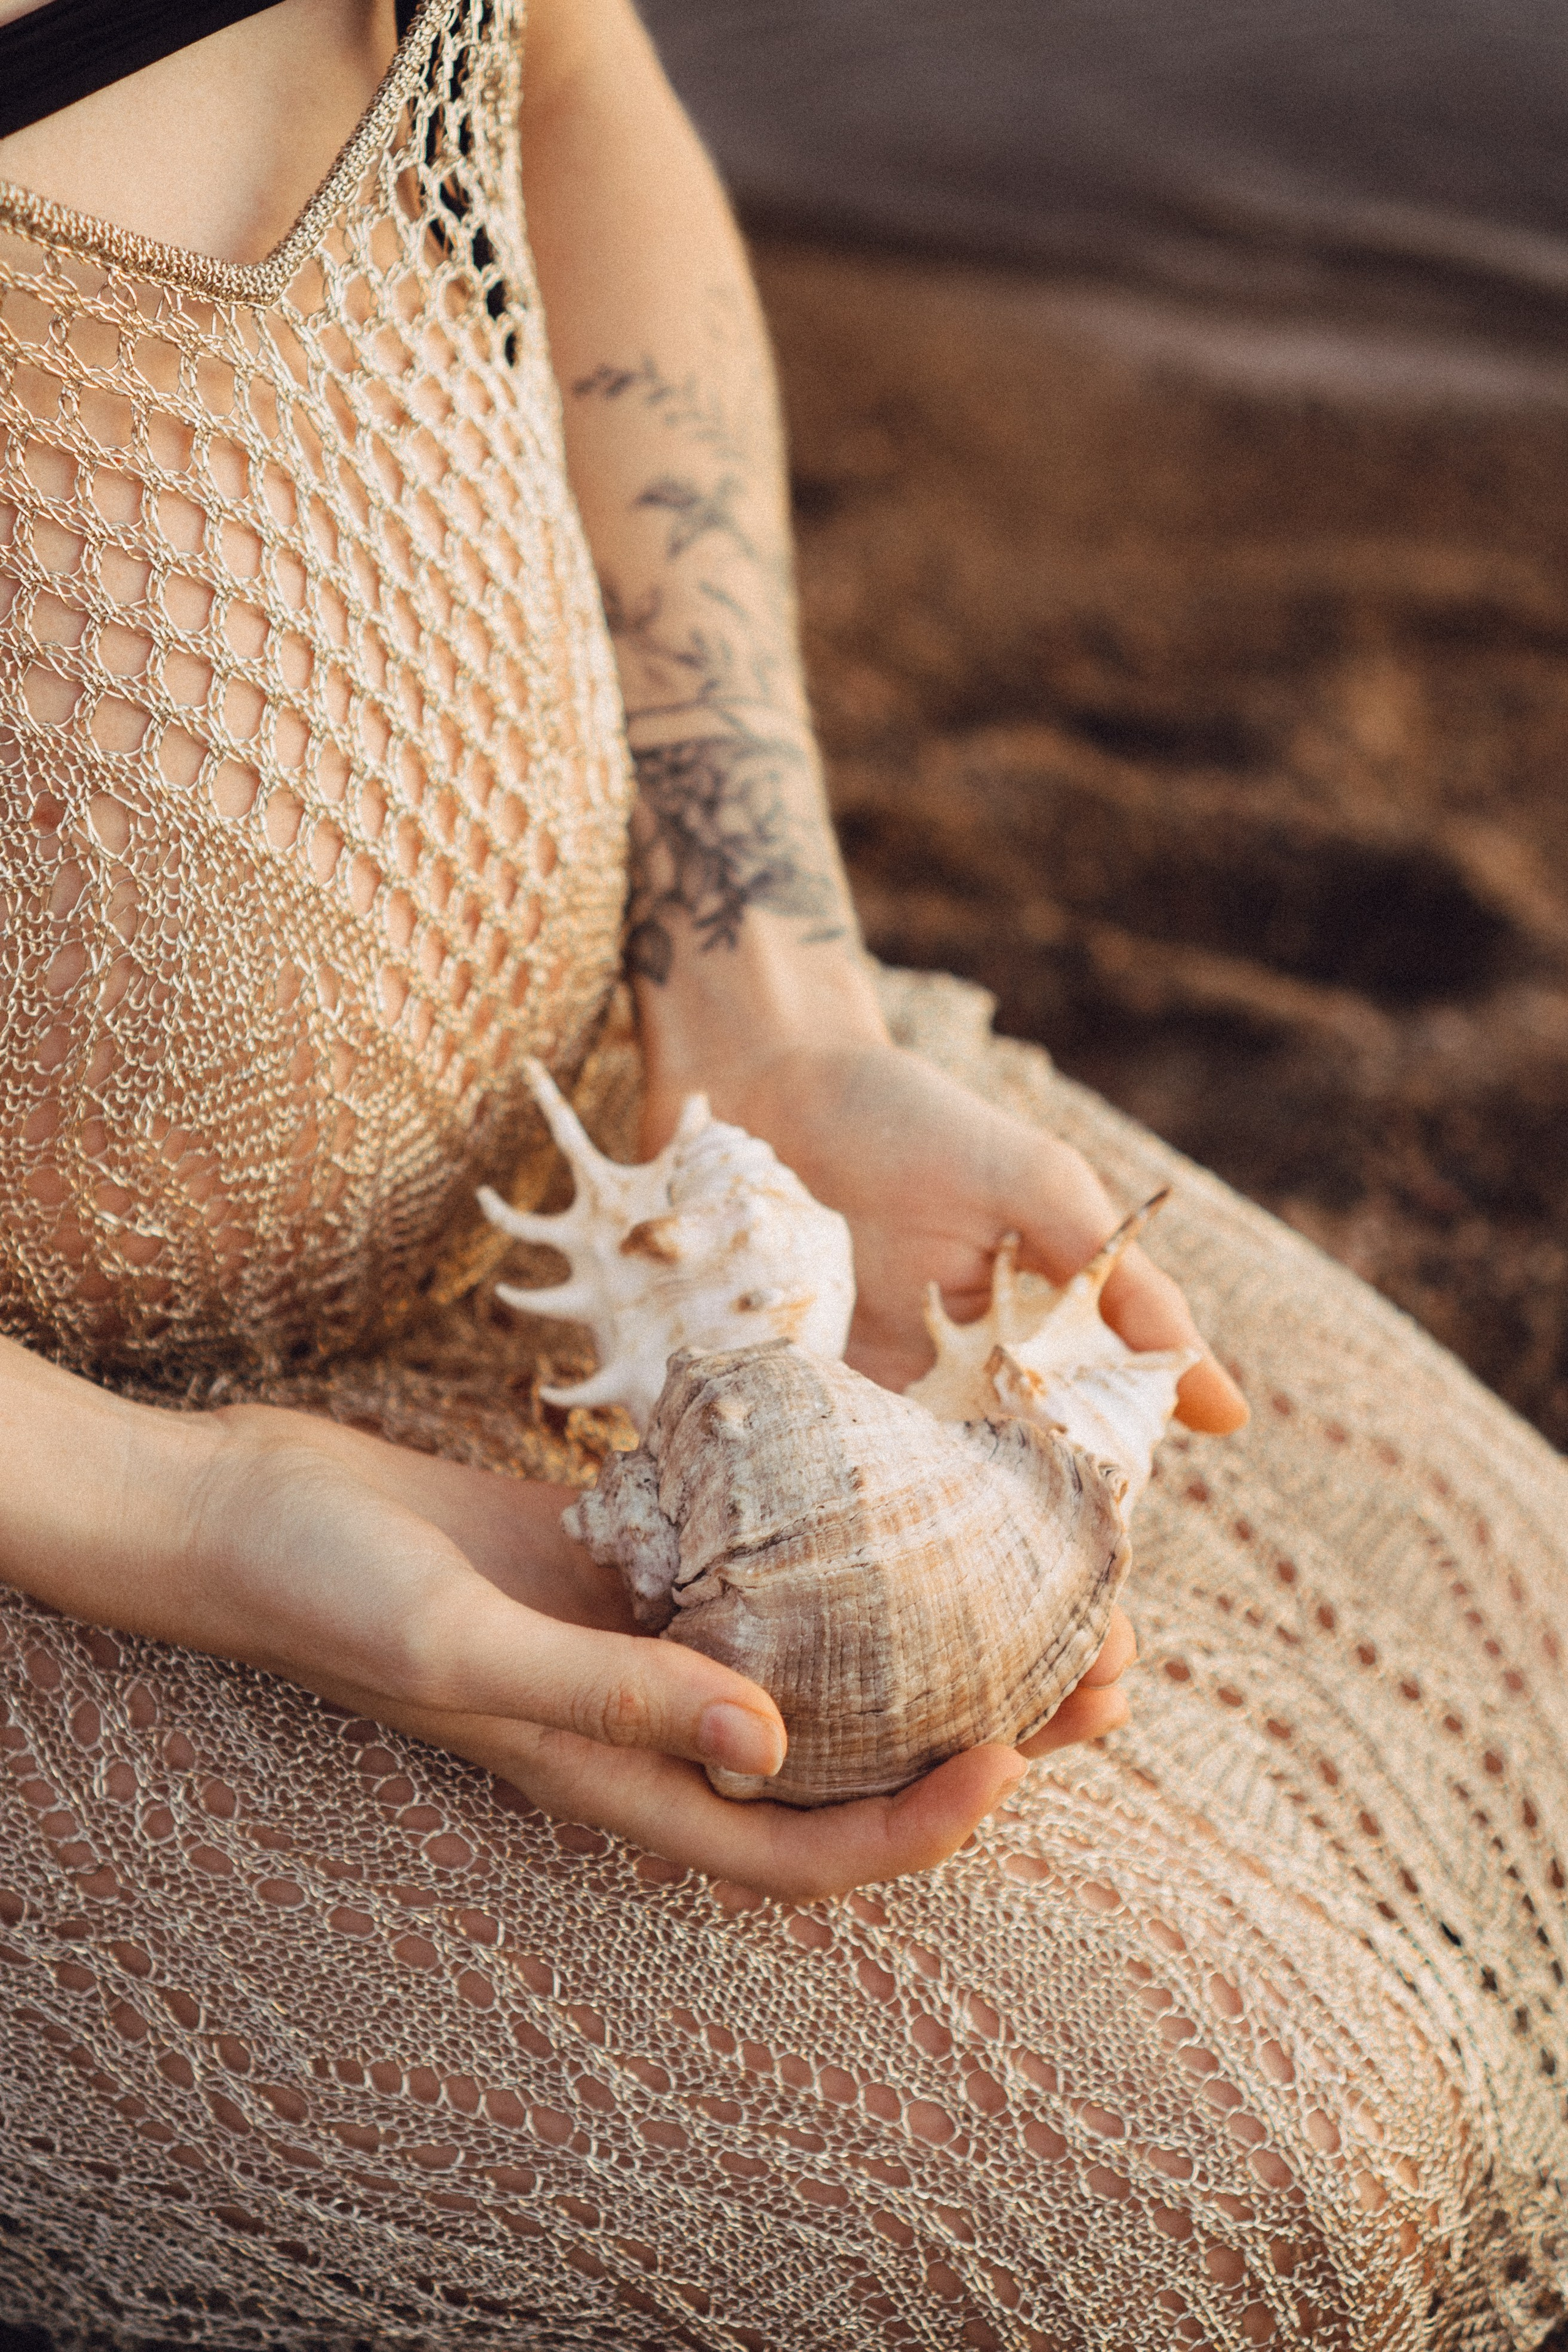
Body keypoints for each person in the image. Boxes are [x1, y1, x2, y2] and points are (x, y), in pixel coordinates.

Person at [0, 2, 1562, 2345]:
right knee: (1261, 2206)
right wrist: (191, 1514)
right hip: (78, 1508)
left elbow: (568, 80)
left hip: (651, 1208)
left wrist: (766, 988)